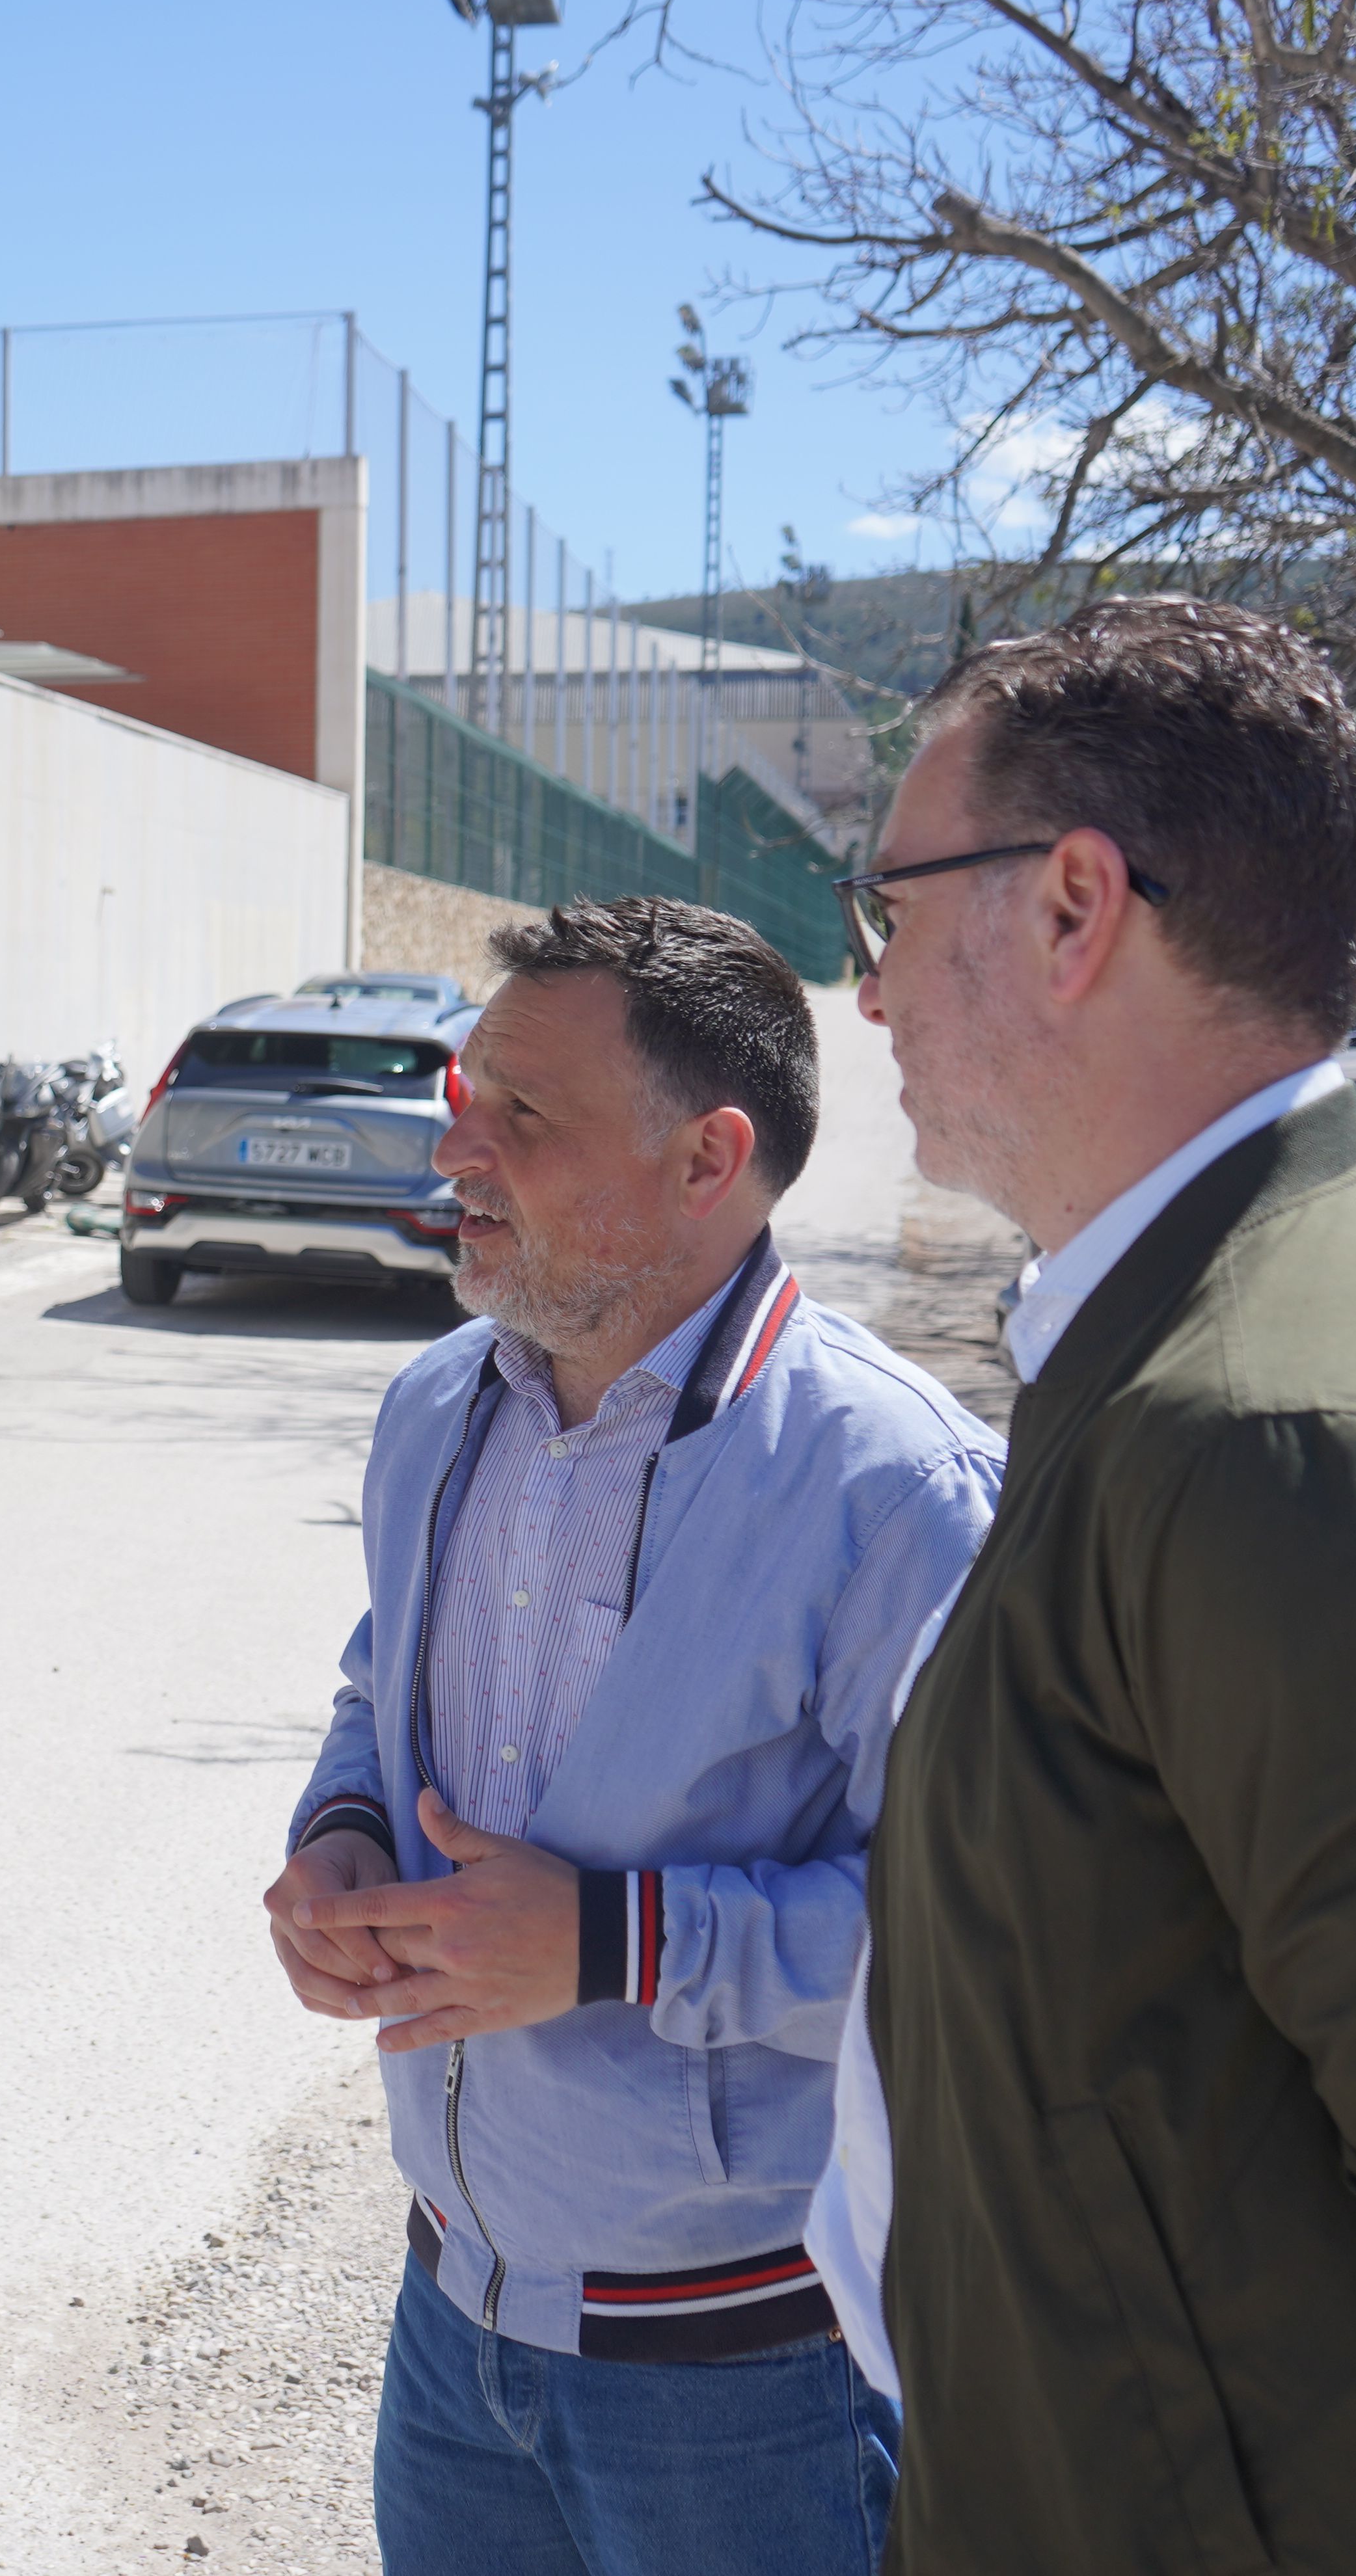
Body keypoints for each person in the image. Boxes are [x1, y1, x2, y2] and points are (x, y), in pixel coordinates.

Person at [831, 597, 1356, 2573]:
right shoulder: (1267, 1302)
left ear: (1070, 909)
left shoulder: (1261, 1416)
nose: (866, 996)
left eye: (888, 915)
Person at [265, 898, 1001, 2576]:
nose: (459, 1143)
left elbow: (998, 1943)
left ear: (707, 1159)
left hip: (750, 2387)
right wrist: (342, 1836)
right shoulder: (438, 1405)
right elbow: (381, 1684)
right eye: (468, 1094)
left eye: (524, 1115)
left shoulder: (898, 1493)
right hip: (451, 2331)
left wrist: (611, 1940)